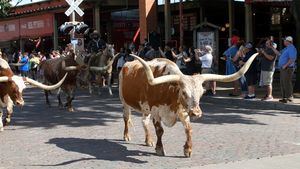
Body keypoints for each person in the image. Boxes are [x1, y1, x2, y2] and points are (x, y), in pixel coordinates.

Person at [272, 36, 297, 103]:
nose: (284, 41)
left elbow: (292, 59)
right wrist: (272, 48)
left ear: (289, 41)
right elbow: (279, 54)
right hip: (284, 68)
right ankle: (285, 97)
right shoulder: (286, 48)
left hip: (287, 68)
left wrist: (285, 65)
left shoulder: (291, 48)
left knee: (287, 83)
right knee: (283, 83)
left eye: (285, 40)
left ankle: (289, 97)